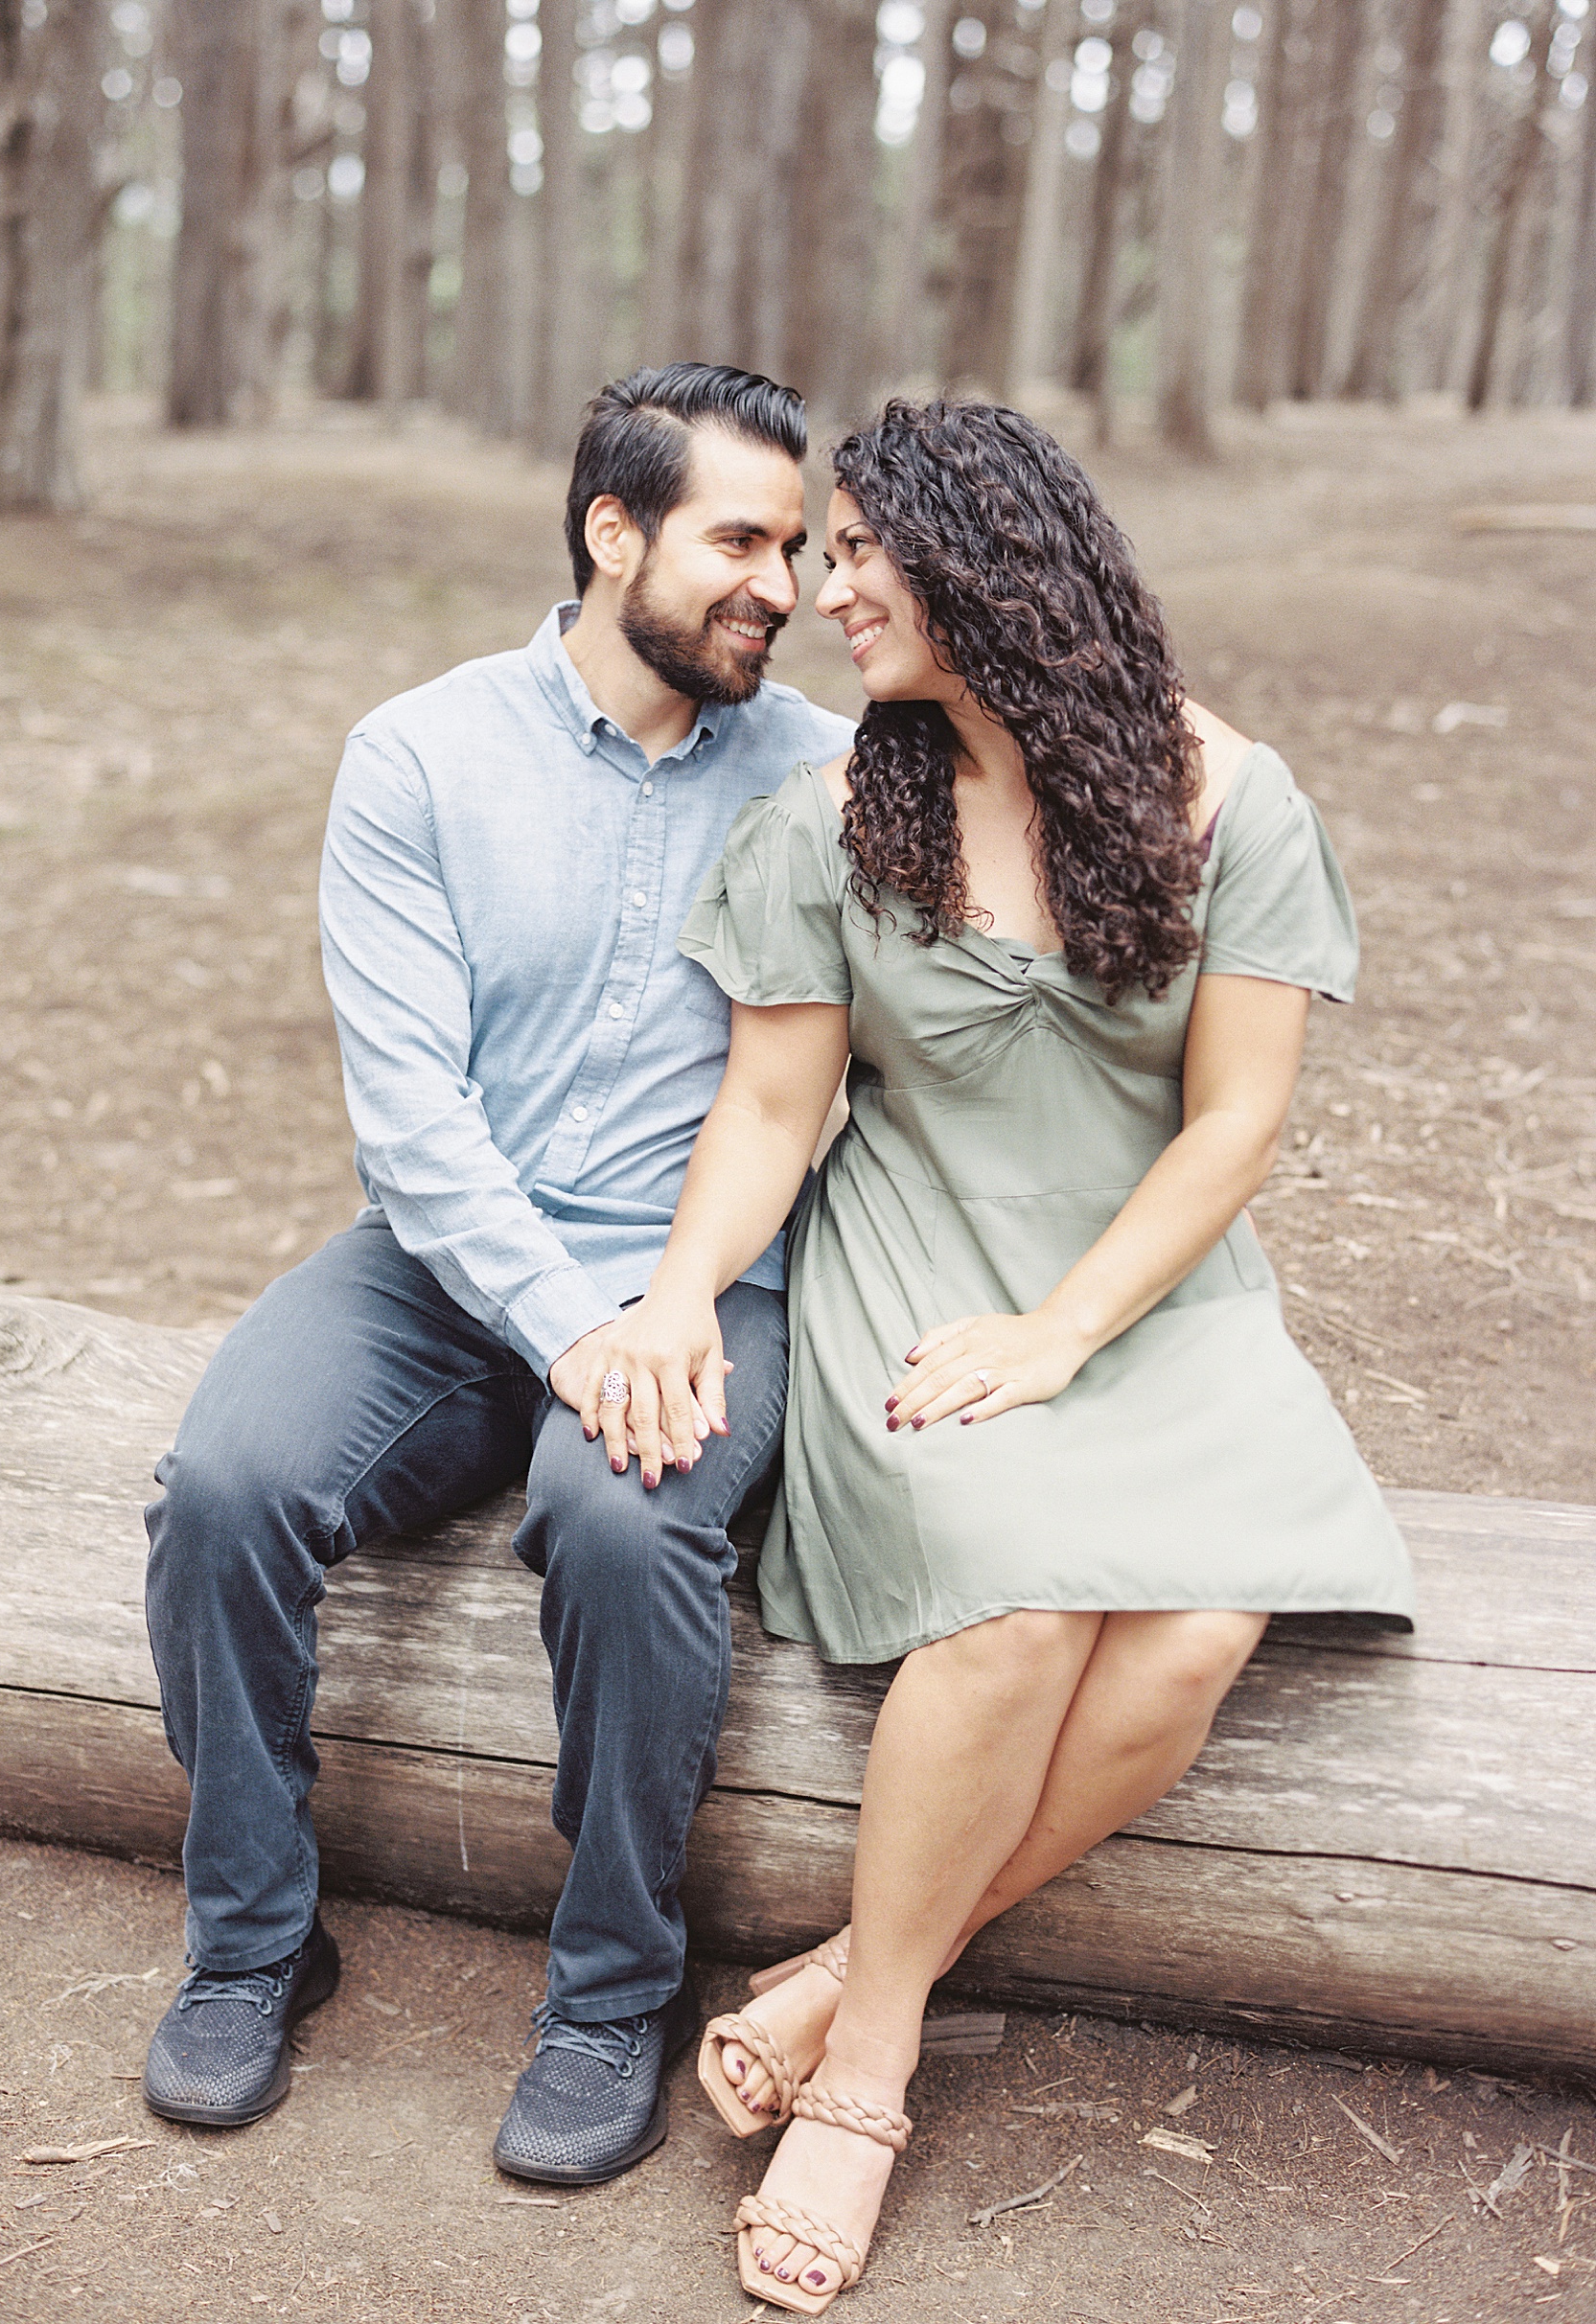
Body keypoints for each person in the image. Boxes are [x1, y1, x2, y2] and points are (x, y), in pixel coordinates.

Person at [578, 398, 1415, 2311]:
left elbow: (1232, 1126)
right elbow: (776, 1113)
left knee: (1201, 1624)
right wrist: (687, 1290)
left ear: (998, 566)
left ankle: (844, 1980)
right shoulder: (836, 819)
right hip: (920, 1263)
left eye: (866, 552)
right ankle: (869, 2080)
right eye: (825, 555)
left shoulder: (1228, 796)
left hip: (1143, 1282)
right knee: (1025, 1612)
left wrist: (1066, 1332)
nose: (828, 591)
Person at [138, 362, 853, 2185]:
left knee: (624, 1520)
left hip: (706, 1279)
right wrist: (568, 1326)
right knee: (225, 1484)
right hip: (451, 1265)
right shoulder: (421, 754)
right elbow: (412, 1120)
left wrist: (657, 1316)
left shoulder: (824, 771)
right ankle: (251, 1943)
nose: (778, 581)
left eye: (796, 542)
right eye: (736, 539)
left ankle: (614, 1987)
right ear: (614, 533)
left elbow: (821, 1082)